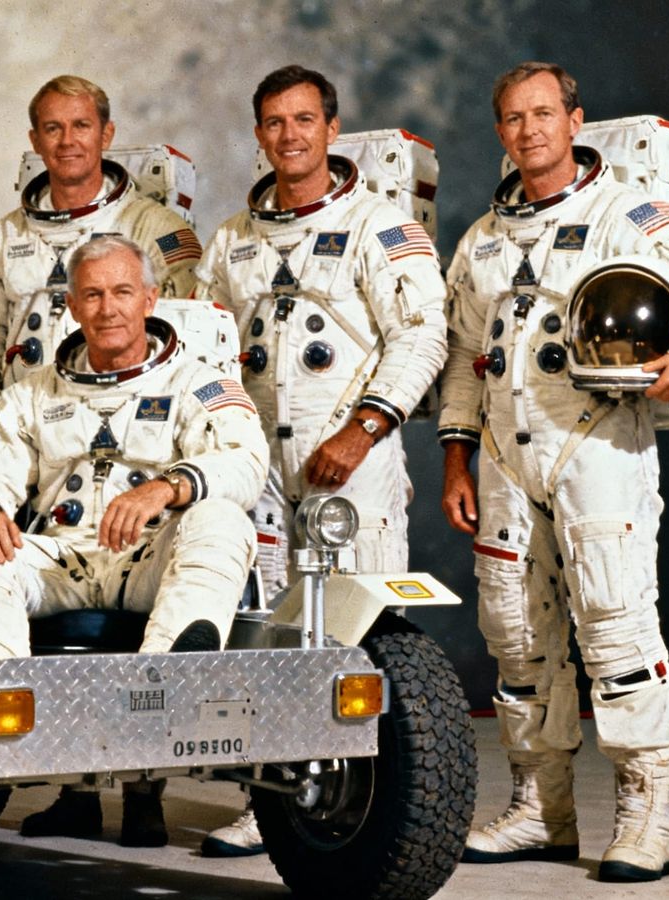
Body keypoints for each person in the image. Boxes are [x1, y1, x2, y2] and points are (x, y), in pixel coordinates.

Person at [439, 61, 669, 882]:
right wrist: (456, 455)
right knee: (515, 640)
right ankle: (542, 812)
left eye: (544, 113)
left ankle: (646, 819)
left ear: (574, 120)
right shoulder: (482, 239)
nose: (529, 130)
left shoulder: (626, 213)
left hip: (597, 448)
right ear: (501, 132)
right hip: (507, 458)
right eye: (512, 118)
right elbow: (469, 361)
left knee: (615, 631)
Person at [192, 64, 447, 858]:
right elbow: (204, 349)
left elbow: (422, 336)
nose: (289, 136)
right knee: (267, 636)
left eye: (304, 120)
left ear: (332, 131)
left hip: (351, 461)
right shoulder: (232, 241)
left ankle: (372, 808)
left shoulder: (380, 228)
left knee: (355, 634)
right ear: (258, 134)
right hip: (260, 470)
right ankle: (269, 798)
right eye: (273, 122)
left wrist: (363, 428)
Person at [0, 235, 266, 847]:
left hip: (147, 555)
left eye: (122, 292)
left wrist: (166, 489)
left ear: (150, 299)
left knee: (222, 518)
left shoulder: (200, 382)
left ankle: (169, 680)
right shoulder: (32, 393)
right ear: (71, 305)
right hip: (65, 556)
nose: (108, 308)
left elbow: (245, 461)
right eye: (92, 294)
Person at [0, 75, 201, 400]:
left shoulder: (154, 229)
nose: (67, 141)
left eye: (81, 126)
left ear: (106, 134)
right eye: (53, 129)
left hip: (122, 412)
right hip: (24, 419)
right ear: (36, 141)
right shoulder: (4, 237)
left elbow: (189, 336)